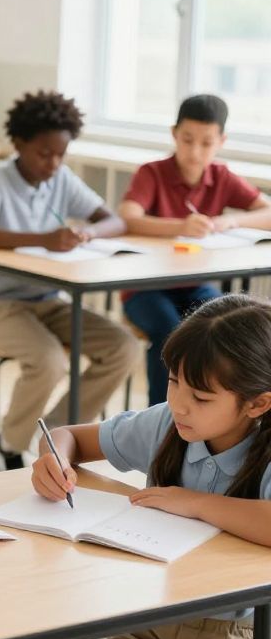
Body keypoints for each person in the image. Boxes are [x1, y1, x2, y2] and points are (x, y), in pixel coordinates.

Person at [32, 294, 271, 639]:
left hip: (236, 636)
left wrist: (194, 503)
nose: (178, 403)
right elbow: (69, 437)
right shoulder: (168, 423)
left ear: (257, 403)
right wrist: (54, 458)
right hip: (152, 622)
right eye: (174, 382)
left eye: (201, 398)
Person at [0, 90, 140, 468]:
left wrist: (88, 234)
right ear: (19, 143)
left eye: (61, 154)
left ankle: (54, 435)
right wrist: (44, 239)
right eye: (45, 153)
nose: (54, 163)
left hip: (51, 301)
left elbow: (115, 220)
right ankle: (8, 446)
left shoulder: (61, 179)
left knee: (123, 347)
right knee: (49, 361)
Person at [119, 93, 271, 407]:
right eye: (187, 140)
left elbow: (267, 212)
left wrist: (228, 223)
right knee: (170, 333)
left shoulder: (221, 176)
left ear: (221, 141)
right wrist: (180, 226)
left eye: (206, 142)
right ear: (174, 134)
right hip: (145, 287)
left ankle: (220, 417)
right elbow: (128, 218)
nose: (195, 151)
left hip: (194, 284)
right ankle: (162, 420)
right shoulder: (152, 173)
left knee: (230, 327)